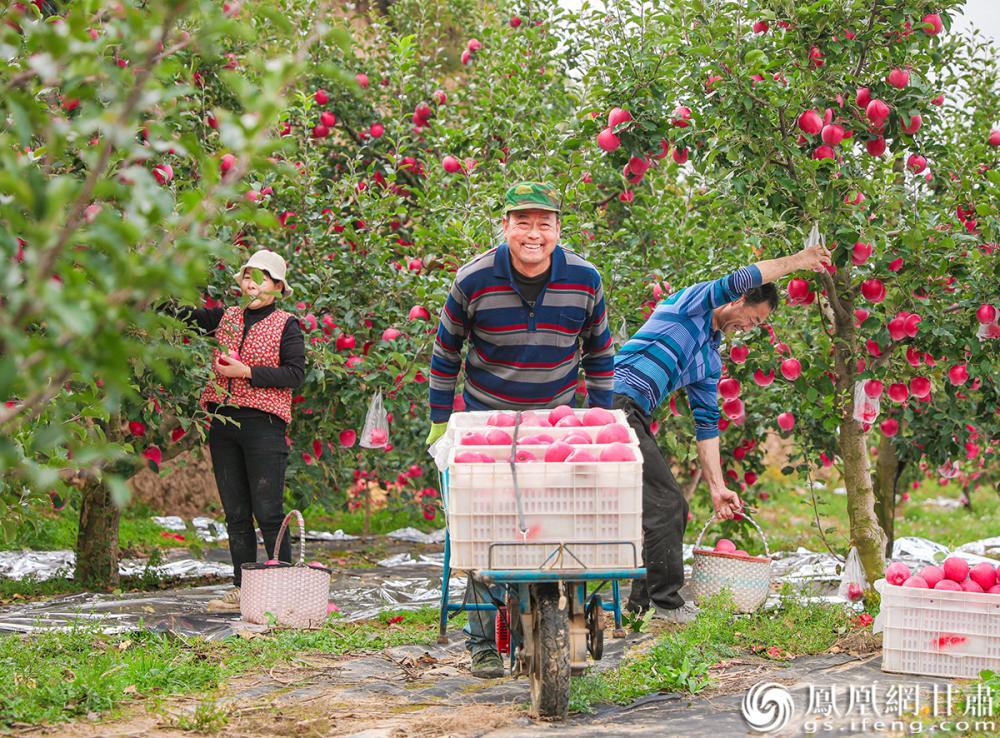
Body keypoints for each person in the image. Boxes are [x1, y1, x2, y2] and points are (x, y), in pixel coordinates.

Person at [426, 181, 615, 678]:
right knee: (486, 525)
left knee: (560, 520)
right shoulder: (473, 279)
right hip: (487, 417)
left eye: (544, 223)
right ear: (506, 226)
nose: (534, 234)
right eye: (523, 222)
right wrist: (440, 422)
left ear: (558, 229)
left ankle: (567, 625)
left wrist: (603, 420)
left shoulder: (585, 279)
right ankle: (483, 642)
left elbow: (599, 353)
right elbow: (446, 354)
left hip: (556, 420)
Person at [613, 241, 832, 623]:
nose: (750, 328)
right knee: (666, 504)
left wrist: (717, 487)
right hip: (612, 403)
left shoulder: (710, 359)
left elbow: (706, 426)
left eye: (759, 326)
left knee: (662, 505)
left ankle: (639, 606)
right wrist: (800, 262)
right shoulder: (691, 304)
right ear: (739, 300)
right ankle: (666, 604)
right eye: (755, 319)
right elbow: (746, 275)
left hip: (633, 414)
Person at [169, 249, 306, 613]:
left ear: (277, 286)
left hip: (264, 425)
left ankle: (282, 587)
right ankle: (242, 588)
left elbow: (295, 374)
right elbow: (191, 318)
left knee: (268, 510)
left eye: (259, 278)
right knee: (236, 511)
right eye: (247, 277)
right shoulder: (228, 317)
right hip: (224, 422)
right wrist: (153, 297)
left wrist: (245, 372)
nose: (250, 285)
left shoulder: (286, 324)